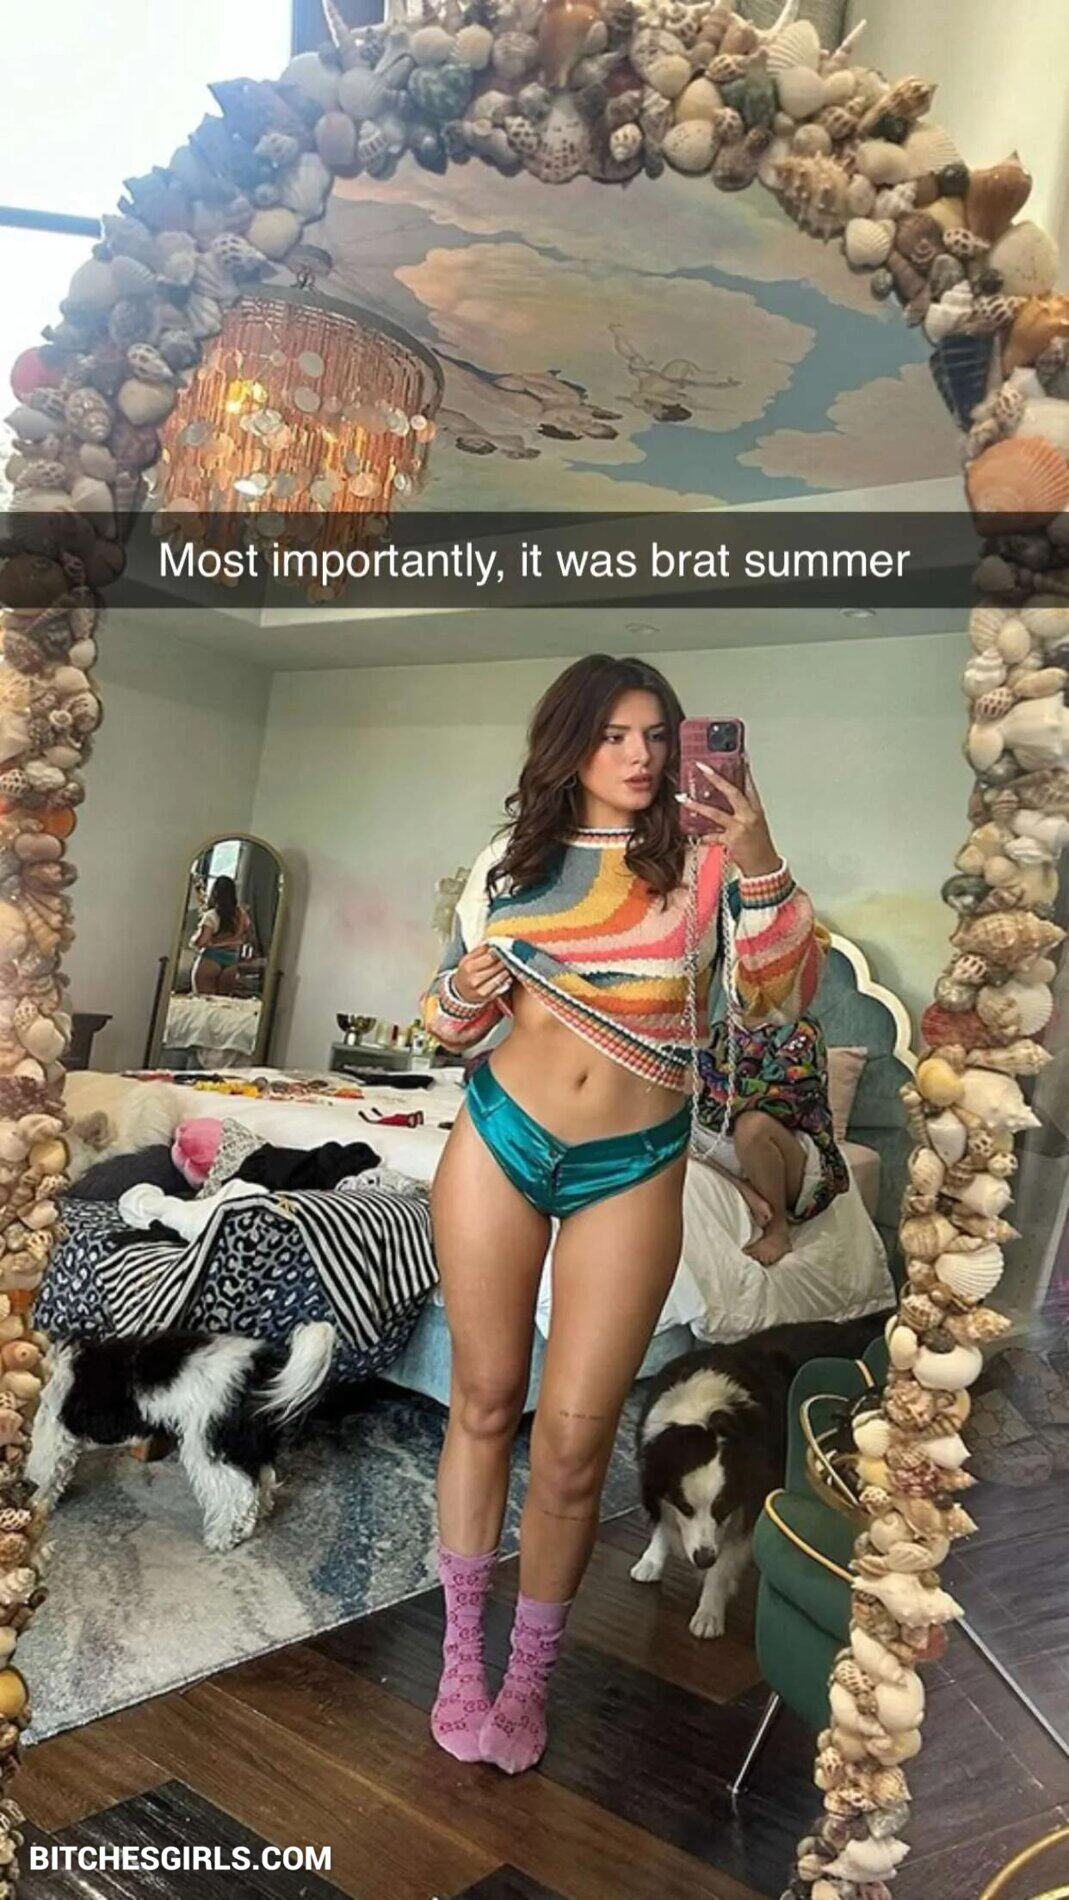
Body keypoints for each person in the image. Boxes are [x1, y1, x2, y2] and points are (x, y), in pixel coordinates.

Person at [419, 653, 825, 1776]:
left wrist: (758, 853)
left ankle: (527, 1678)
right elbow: (445, 1026)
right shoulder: (509, 862)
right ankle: (458, 1658)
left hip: (634, 1163)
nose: (640, 755)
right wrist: (467, 987)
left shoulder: (707, 864)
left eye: (656, 734)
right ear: (570, 746)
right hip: (498, 1136)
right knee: (484, 1401)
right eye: (613, 735)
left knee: (574, 1439)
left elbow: (777, 1005)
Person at [695, 1015, 850, 1266]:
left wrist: (707, 1087)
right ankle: (743, 1189)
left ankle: (777, 1230)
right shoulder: (718, 1033)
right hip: (724, 1148)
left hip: (790, 1150)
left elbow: (785, 1100)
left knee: (752, 1126)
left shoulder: (800, 1031)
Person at [190, 876, 252, 996]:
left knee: (203, 1002)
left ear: (214, 893)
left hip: (211, 959)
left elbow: (202, 942)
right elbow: (246, 937)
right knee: (223, 1003)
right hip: (231, 961)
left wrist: (194, 940)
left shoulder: (211, 916)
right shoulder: (241, 915)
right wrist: (231, 942)